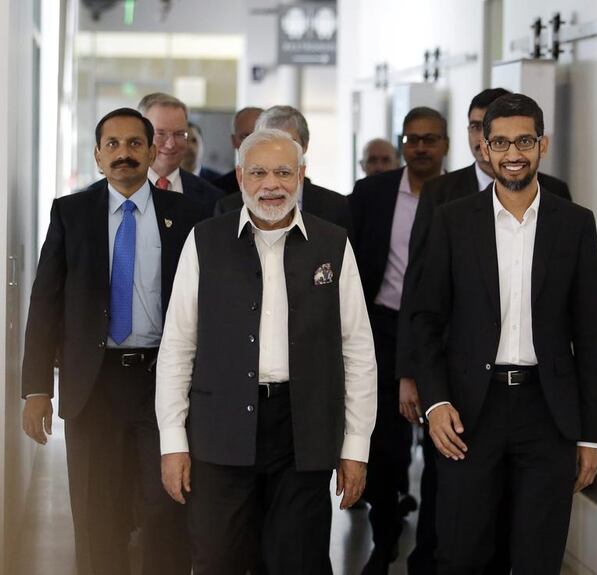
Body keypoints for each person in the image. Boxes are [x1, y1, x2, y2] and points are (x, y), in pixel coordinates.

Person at [156, 128, 378, 574]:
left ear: (301, 175)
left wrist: (356, 445)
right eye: (258, 172)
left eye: (282, 172)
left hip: (304, 432)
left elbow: (356, 349)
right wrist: (173, 441)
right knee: (218, 558)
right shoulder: (205, 240)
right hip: (220, 431)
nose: (270, 184)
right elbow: (179, 346)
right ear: (240, 176)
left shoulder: (333, 243)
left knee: (297, 561)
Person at [412, 93, 597, 574]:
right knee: (461, 554)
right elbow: (424, 320)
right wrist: (435, 403)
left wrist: (590, 435)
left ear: (543, 145)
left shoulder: (576, 224)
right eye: (500, 142)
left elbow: (589, 331)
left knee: (538, 557)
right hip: (468, 414)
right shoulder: (452, 221)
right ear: (483, 146)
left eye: (524, 141)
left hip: (548, 413)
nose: (512, 153)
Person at [20, 107, 204, 575]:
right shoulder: (71, 212)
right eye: (113, 145)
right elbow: (46, 301)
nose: (124, 154)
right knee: (96, 510)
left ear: (150, 150)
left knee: (168, 507)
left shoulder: (187, 215)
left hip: (162, 384)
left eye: (134, 144)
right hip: (92, 386)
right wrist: (37, 388)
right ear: (98, 156)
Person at [349, 106, 449, 574]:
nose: (421, 147)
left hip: (444, 339)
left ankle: (427, 552)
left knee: (440, 453)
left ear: (445, 144)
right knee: (384, 449)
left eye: (430, 139)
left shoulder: (462, 195)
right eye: (412, 139)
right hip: (382, 331)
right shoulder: (372, 194)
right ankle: (384, 536)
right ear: (402, 144)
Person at [214, 105, 353, 240]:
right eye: (267, 142)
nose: (277, 151)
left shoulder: (335, 206)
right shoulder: (228, 207)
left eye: (288, 143)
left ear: (305, 145)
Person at [138, 92, 224, 214]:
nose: (171, 144)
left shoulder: (213, 198)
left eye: (179, 134)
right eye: (161, 134)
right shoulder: (117, 191)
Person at [214, 106, 264, 195]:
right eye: (245, 136)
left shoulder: (287, 183)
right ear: (234, 141)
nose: (252, 143)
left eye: (258, 135)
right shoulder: (217, 190)